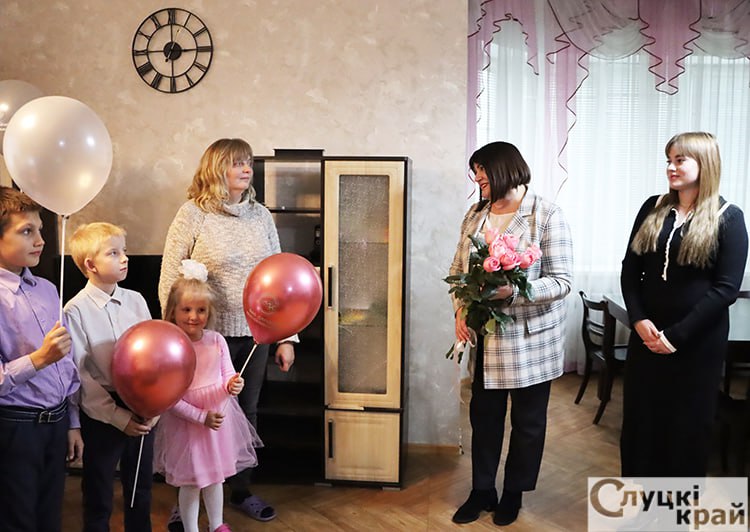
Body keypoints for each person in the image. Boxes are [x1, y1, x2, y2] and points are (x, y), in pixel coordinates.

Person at [159, 138, 296, 527]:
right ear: (216, 168)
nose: (246, 168)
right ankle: (186, 498)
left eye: (248, 162)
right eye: (237, 162)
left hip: (255, 336)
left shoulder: (260, 215)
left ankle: (240, 491)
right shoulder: (193, 214)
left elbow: (280, 277)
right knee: (193, 415)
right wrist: (175, 335)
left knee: (243, 413)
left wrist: (287, 337)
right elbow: (170, 276)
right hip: (202, 338)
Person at [449, 142, 573, 526]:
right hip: (485, 339)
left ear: (505, 168)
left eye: (482, 170)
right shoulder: (475, 214)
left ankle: (514, 493)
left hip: (530, 341)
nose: (477, 178)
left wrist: (514, 292)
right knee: (484, 419)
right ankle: (482, 490)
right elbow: (457, 270)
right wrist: (460, 311)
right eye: (475, 171)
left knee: (527, 424)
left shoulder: (547, 214)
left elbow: (562, 281)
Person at [620, 132, 748, 477]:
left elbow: (726, 289)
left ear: (704, 163)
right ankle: (639, 498)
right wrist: (638, 319)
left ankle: (676, 505)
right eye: (669, 160)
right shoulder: (653, 207)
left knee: (686, 426)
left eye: (680, 160)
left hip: (697, 342)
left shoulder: (729, 217)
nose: (671, 167)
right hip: (646, 336)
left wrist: (675, 336)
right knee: (641, 421)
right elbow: (630, 270)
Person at [155, 260, 262, 532]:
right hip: (188, 424)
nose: (194, 316)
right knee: (191, 482)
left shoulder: (216, 340)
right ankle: (190, 527)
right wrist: (200, 416)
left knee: (215, 478)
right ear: (173, 311)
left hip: (218, 421)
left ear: (209, 312)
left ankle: (217, 524)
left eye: (201, 310)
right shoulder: (170, 346)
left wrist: (233, 384)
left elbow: (228, 374)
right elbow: (170, 397)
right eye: (186, 309)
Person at [64, 222, 155, 531]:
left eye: (124, 251)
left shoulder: (136, 300)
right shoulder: (75, 311)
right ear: (91, 265)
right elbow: (81, 374)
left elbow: (153, 354)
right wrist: (116, 416)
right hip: (101, 412)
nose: (125, 258)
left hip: (141, 403)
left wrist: (153, 406)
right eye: (114, 253)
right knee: (99, 487)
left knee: (140, 485)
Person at [0, 186, 81, 532]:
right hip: (16, 428)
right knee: (17, 518)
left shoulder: (47, 289)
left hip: (56, 422)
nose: (41, 240)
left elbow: (66, 363)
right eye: (26, 231)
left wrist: (72, 421)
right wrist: (40, 358)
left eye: (41, 230)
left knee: (51, 515)